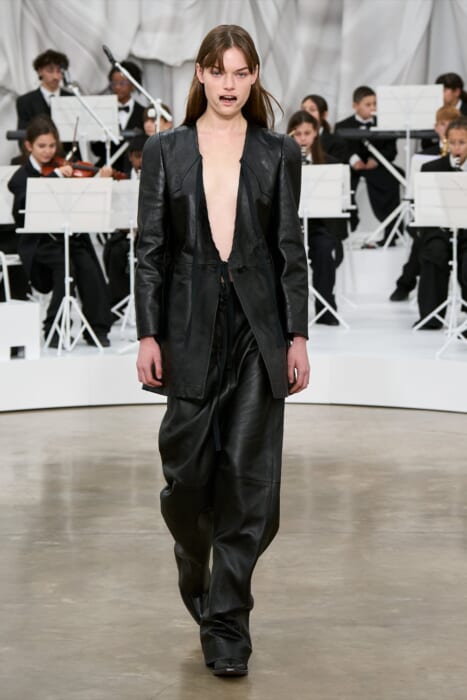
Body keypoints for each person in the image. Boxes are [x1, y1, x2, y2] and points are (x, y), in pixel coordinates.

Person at [135, 24, 309, 677]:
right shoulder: (166, 150)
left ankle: (228, 623)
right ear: (201, 75)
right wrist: (147, 334)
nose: (229, 84)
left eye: (241, 72)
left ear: (254, 76)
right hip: (188, 330)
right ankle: (198, 579)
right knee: (186, 481)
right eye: (218, 71)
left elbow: (289, 250)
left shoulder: (278, 152)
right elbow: (150, 250)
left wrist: (296, 337)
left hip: (258, 331)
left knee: (249, 480)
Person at [8, 116, 113, 347]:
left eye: (52, 146)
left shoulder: (65, 168)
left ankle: (97, 329)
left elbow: (82, 201)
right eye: (42, 146)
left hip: (68, 236)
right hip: (39, 241)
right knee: (66, 267)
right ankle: (53, 329)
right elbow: (23, 209)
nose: (48, 151)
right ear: (29, 146)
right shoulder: (21, 177)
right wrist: (53, 177)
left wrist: (99, 182)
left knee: (89, 268)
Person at [389, 105, 461, 302]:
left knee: (426, 240)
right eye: (443, 124)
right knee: (427, 238)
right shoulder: (427, 156)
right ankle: (409, 285)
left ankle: (406, 282)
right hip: (437, 217)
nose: (446, 128)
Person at [288, 110, 347, 324]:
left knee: (323, 249)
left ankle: (325, 309)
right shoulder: (281, 163)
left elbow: (340, 203)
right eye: (297, 134)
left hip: (319, 225)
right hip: (289, 226)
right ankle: (287, 311)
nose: (303, 139)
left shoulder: (330, 164)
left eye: (307, 133)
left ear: (316, 133)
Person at [414, 116, 467, 329]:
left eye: (462, 142)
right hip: (441, 228)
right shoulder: (431, 168)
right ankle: (431, 316)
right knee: (434, 252)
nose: (457, 148)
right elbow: (425, 207)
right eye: (452, 142)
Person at [335, 85, 401, 245]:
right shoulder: (342, 126)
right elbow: (338, 149)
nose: (373, 108)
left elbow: (391, 150)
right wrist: (353, 160)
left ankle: (391, 229)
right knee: (342, 183)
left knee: (391, 179)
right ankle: (346, 227)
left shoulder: (385, 123)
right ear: (355, 105)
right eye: (368, 104)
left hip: (377, 168)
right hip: (351, 169)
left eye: (375, 104)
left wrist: (376, 159)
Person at [104, 134, 147, 315]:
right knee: (113, 250)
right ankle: (119, 298)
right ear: (130, 157)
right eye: (137, 156)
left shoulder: (160, 177)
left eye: (146, 156)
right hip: (127, 230)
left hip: (150, 232)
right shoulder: (123, 179)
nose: (141, 161)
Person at [92, 61, 145, 174]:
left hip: (136, 171)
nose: (117, 87)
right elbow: (95, 149)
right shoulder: (102, 112)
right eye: (114, 83)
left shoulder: (143, 113)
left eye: (122, 83)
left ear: (133, 85)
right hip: (107, 170)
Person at [301, 93, 347, 162]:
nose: (306, 113)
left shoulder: (337, 143)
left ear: (324, 115)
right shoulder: (292, 140)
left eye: (312, 110)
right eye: (303, 109)